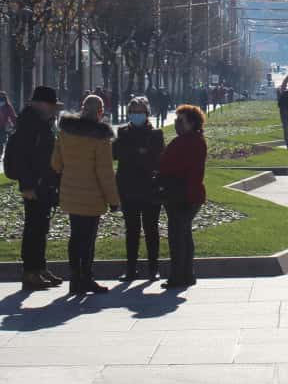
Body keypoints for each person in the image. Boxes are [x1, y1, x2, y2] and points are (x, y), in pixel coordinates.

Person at [51, 94, 120, 295]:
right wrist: (113, 200)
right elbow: (105, 172)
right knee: (88, 240)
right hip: (92, 196)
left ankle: (75, 278)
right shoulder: (100, 137)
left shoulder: (66, 132)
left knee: (75, 237)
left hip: (71, 193)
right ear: (100, 112)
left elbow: (56, 163)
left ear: (82, 108)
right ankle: (86, 277)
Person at [3, 85, 62, 291]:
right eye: (51, 105)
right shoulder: (29, 125)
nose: (54, 110)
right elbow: (22, 158)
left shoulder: (42, 123)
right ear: (41, 104)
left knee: (41, 227)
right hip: (34, 185)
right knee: (33, 228)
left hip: (43, 183)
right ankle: (30, 271)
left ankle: (39, 267)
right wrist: (27, 185)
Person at [114, 96, 165, 281]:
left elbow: (156, 158)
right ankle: (130, 268)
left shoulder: (155, 134)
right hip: (128, 187)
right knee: (132, 230)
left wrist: (136, 154)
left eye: (140, 111)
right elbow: (118, 154)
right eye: (134, 111)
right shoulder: (122, 132)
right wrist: (139, 152)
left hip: (150, 187)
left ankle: (153, 268)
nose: (137, 115)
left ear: (147, 113)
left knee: (151, 229)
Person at [159, 104, 208, 288]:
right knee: (184, 235)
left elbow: (172, 166)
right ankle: (187, 274)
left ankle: (178, 276)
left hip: (182, 195)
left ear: (191, 123)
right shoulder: (194, 140)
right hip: (188, 194)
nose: (177, 124)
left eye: (180, 121)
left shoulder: (187, 142)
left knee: (177, 238)